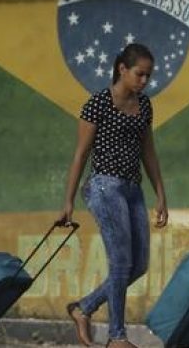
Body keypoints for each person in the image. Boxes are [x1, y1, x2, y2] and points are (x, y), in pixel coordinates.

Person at [58, 43, 169, 348]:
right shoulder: (97, 104)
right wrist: (68, 201)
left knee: (139, 265)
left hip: (133, 189)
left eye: (148, 76)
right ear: (122, 69)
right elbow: (80, 155)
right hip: (104, 187)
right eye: (139, 74)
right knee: (121, 262)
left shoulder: (144, 106)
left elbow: (149, 151)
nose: (144, 81)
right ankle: (116, 337)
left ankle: (84, 309)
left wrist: (160, 192)